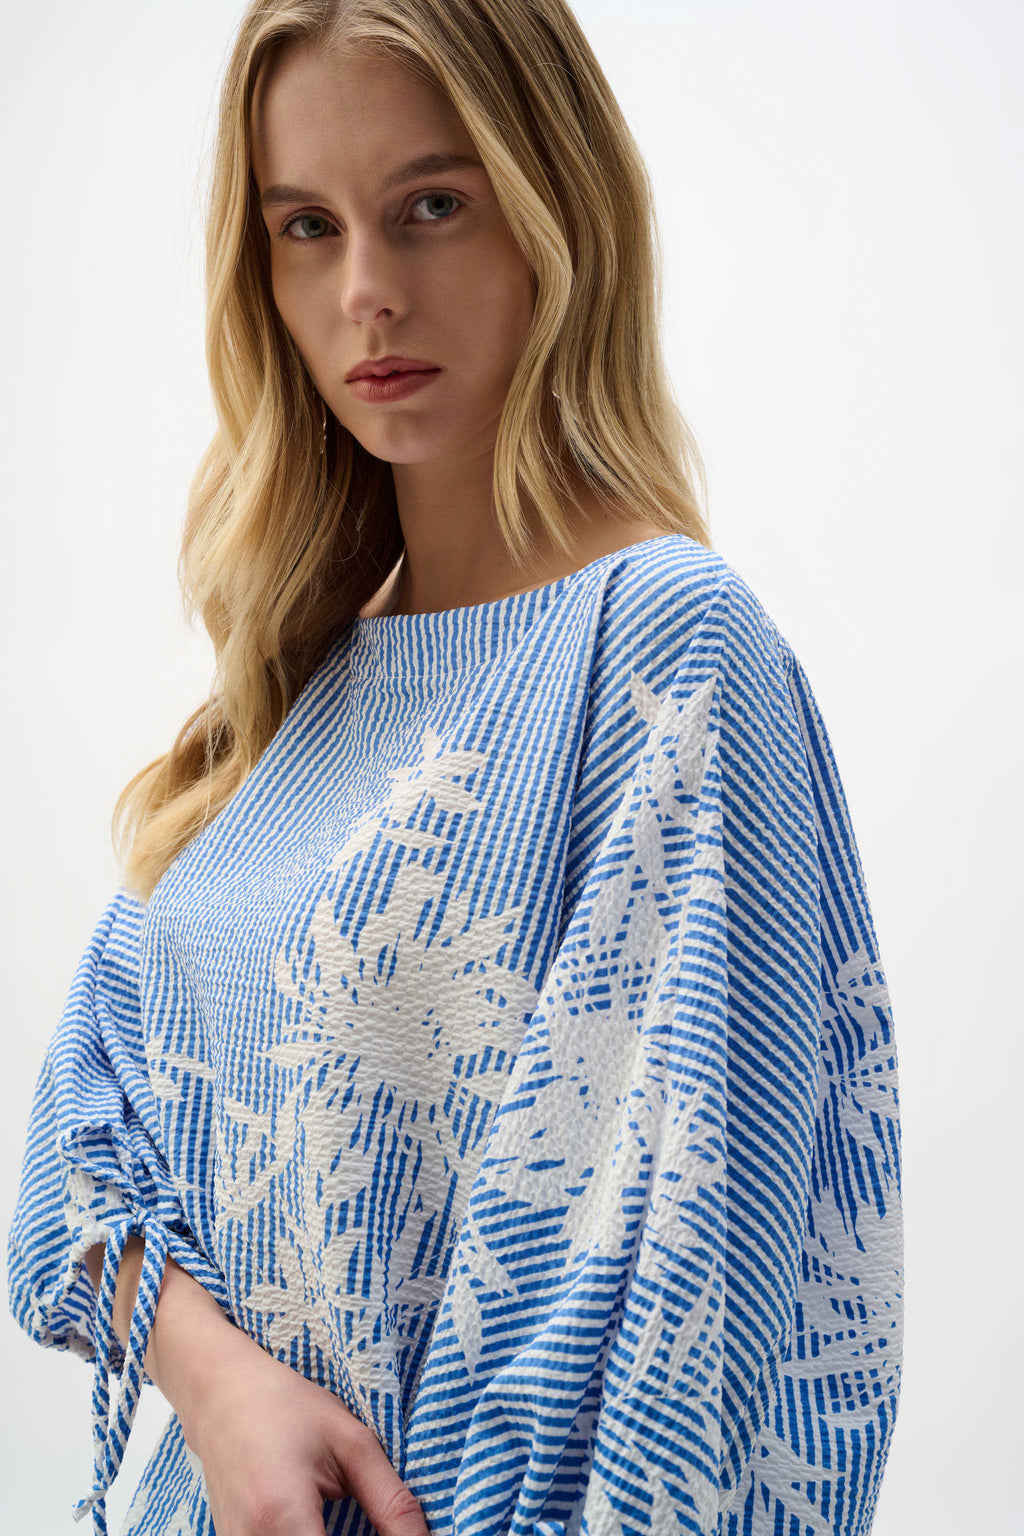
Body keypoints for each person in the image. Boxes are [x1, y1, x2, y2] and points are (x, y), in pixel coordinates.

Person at [6, 2, 904, 1534]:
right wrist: (219, 1383)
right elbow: (74, 1160)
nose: (365, 290)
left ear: (558, 212)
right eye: (306, 227)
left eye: (431, 206)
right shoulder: (295, 682)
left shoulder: (665, 650)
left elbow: (709, 1312)